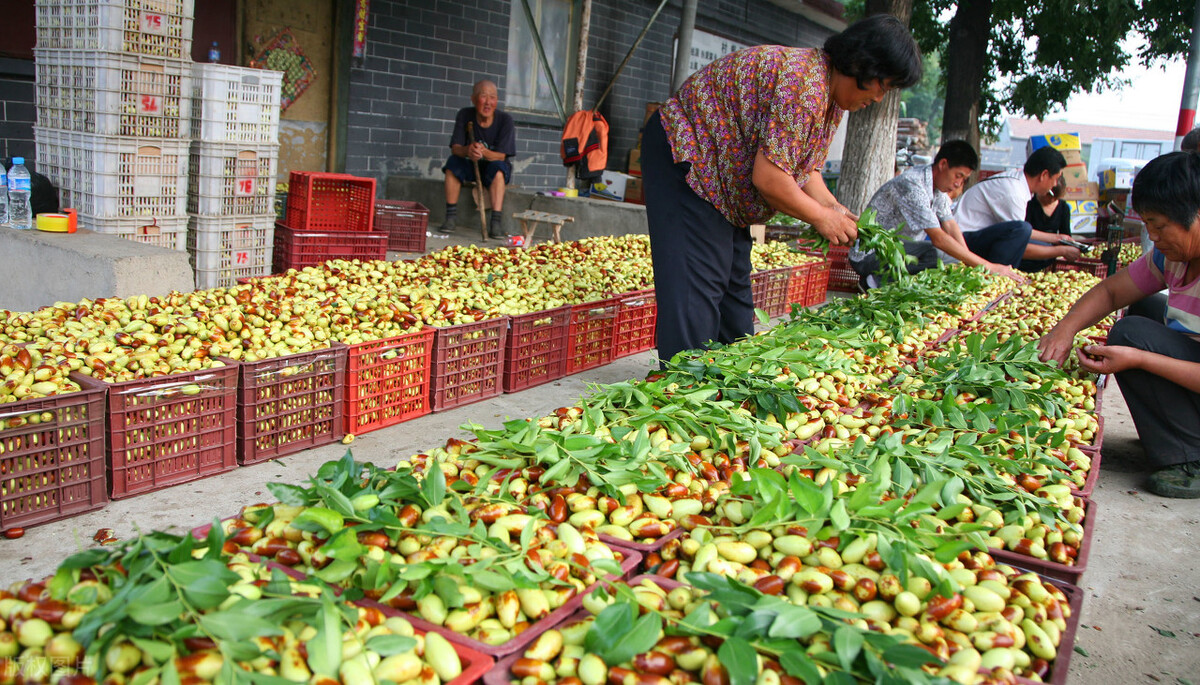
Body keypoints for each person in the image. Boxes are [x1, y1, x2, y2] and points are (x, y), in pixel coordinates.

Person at [642, 14, 922, 362]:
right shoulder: (804, 86)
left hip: (724, 184)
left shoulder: (831, 98)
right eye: (883, 85)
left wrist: (833, 208)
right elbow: (770, 179)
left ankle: (730, 381)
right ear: (864, 66)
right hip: (687, 157)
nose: (880, 98)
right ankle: (682, 392)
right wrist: (820, 217)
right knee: (697, 287)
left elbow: (805, 169)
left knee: (734, 294)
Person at [1038, 151, 1200, 498]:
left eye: (1159, 226)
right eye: (1148, 226)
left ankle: (1191, 458)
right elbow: (1112, 292)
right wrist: (1065, 330)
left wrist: (1138, 359)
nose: (1153, 237)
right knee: (1143, 305)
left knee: (1132, 335)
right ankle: (1179, 432)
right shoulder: (1171, 257)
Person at [851, 140, 1025, 288]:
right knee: (937, 253)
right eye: (958, 176)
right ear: (943, 165)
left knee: (953, 257)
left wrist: (971, 266)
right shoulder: (912, 185)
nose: (959, 184)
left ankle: (888, 281)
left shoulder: (937, 191)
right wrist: (989, 267)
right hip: (869, 255)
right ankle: (872, 282)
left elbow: (950, 225)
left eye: (963, 180)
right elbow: (939, 238)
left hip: (896, 252)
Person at [953, 146, 1081, 272]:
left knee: (1039, 241)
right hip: (962, 242)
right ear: (1044, 175)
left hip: (974, 236)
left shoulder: (1018, 182)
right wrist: (1060, 251)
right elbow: (1018, 241)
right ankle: (996, 278)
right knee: (1038, 245)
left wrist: (1056, 238)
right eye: (1056, 179)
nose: (1054, 185)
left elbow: (1020, 234)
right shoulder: (1014, 193)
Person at [438, 80, 516, 238]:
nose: (488, 102)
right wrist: (468, 150)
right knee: (452, 164)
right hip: (470, 165)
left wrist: (483, 152)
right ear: (473, 99)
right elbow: (456, 148)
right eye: (483, 97)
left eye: (492, 97)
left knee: (499, 169)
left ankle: (495, 223)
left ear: (497, 101)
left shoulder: (505, 120)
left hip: (492, 166)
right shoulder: (465, 115)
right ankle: (451, 218)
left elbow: (502, 155)